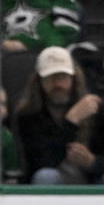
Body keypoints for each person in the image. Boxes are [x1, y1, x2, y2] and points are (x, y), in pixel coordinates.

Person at [12, 46, 104, 185]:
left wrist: (92, 162)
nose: (58, 84)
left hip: (90, 180)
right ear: (39, 82)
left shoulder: (95, 109)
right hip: (55, 179)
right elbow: (41, 163)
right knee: (45, 176)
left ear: (74, 79)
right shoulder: (28, 115)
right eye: (50, 78)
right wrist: (71, 121)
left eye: (63, 77)